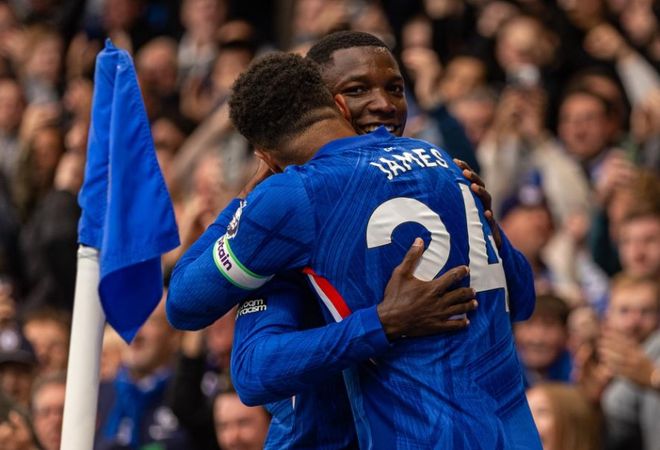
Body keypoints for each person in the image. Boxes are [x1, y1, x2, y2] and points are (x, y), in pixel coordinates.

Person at [167, 51, 540, 448]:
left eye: (395, 89)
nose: (383, 104)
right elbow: (523, 302)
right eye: (360, 89)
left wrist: (244, 201)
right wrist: (381, 322)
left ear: (265, 157)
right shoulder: (441, 162)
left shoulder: (293, 199)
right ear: (338, 105)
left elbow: (197, 317)